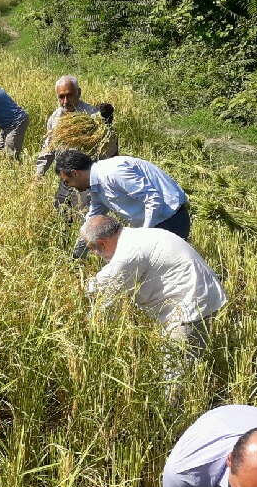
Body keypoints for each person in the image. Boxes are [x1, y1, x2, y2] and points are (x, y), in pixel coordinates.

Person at [80, 216, 226, 360]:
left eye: (93, 249)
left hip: (189, 308)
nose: (95, 254)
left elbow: (105, 291)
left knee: (176, 370)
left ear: (102, 243)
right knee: (176, 361)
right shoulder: (135, 236)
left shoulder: (129, 253)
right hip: (196, 297)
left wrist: (86, 322)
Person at [54, 150, 192, 240]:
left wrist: (145, 236)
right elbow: (93, 217)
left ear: (75, 173)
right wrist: (78, 254)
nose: (70, 186)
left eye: (68, 181)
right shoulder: (96, 185)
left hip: (171, 220)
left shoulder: (113, 172)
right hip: (156, 224)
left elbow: (153, 199)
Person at [34, 76, 117, 180]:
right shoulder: (55, 118)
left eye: (69, 95)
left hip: (90, 177)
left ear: (79, 93)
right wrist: (38, 175)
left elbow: (108, 149)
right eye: (61, 97)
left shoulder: (93, 117)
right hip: (67, 176)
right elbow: (49, 147)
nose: (65, 101)